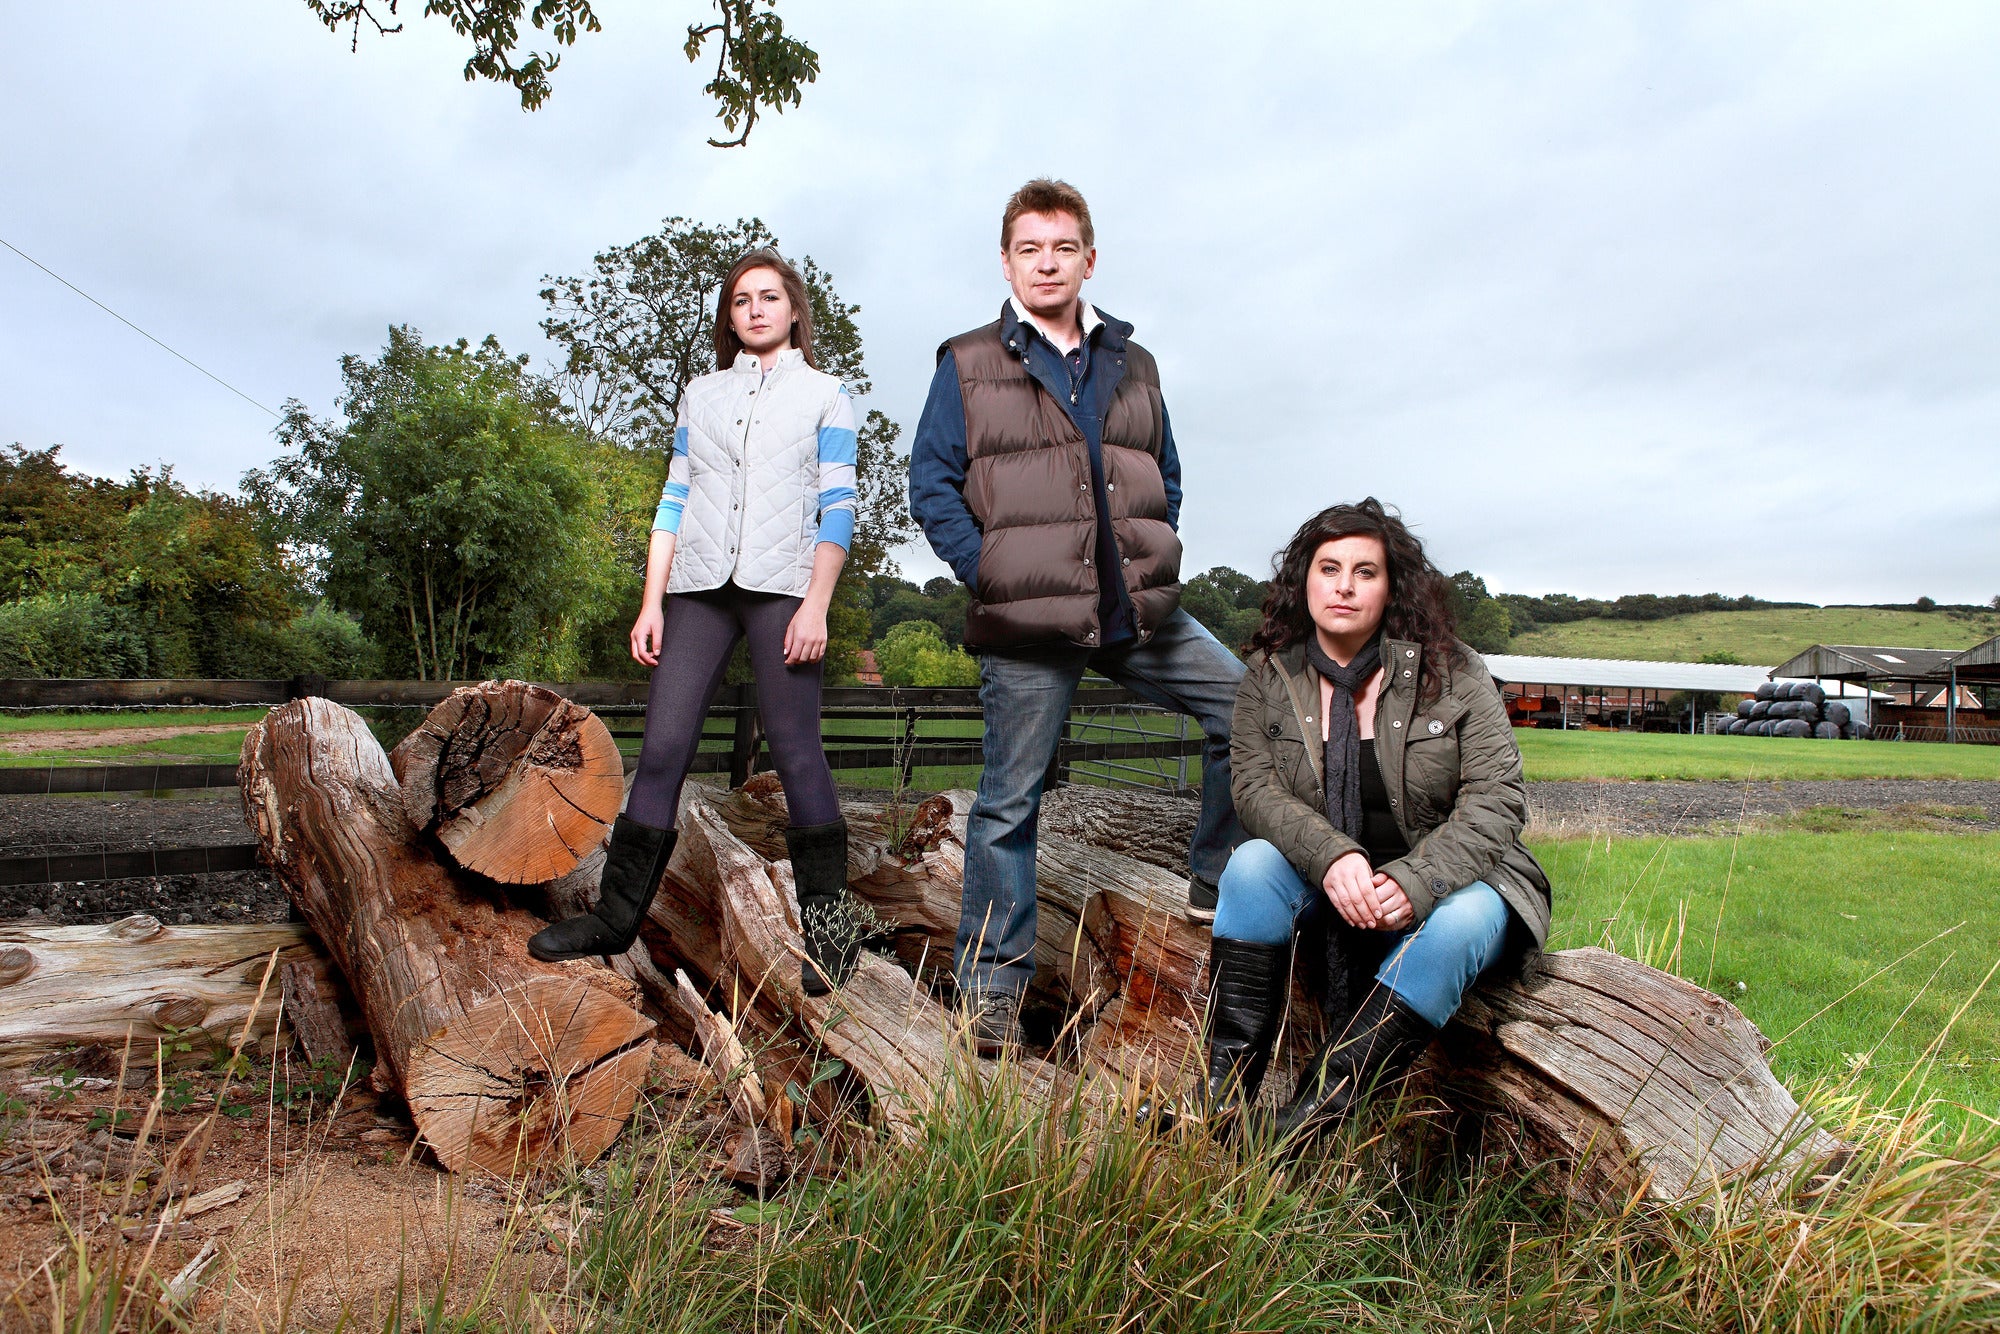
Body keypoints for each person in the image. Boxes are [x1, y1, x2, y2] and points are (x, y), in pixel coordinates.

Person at [909, 178, 1246, 1052]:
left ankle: (1214, 888)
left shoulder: (1136, 363)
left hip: (1135, 604)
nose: (1046, 262)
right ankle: (989, 992)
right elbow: (930, 484)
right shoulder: (968, 361)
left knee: (1249, 711)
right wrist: (987, 566)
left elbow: (1164, 471)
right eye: (1029, 248)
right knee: (1009, 804)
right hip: (1026, 614)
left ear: (1088, 258)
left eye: (1062, 247)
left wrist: (1154, 542)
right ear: (1007, 260)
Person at [530, 248, 867, 996]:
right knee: (664, 748)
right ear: (729, 315)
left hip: (784, 588)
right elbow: (673, 500)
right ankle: (613, 920)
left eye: (769, 297)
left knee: (797, 751)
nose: (754, 309)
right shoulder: (700, 394)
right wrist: (652, 601)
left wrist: (817, 602)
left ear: (793, 310)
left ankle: (832, 939)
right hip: (697, 589)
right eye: (741, 299)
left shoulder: (826, 394)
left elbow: (838, 506)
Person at [1198, 498, 1551, 1142]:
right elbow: (1253, 789)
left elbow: (1497, 799)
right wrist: (1333, 857)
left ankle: (1311, 1122)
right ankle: (1220, 1095)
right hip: (1331, 882)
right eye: (1329, 568)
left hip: (1455, 883)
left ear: (1392, 589)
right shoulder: (1268, 679)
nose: (1344, 585)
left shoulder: (1455, 673)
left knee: (1464, 920)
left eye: (1366, 572)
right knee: (1250, 866)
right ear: (1302, 580)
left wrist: (1415, 882)